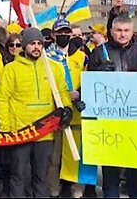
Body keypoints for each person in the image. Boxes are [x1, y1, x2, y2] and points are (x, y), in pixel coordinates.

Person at [0, 27, 73, 197]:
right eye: (32, 43)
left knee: (41, 176)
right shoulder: (11, 69)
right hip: (20, 132)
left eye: (39, 43)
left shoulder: (54, 68)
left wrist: (67, 109)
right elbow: (2, 100)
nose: (36, 47)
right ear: (24, 45)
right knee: (19, 176)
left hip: (45, 133)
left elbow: (62, 93)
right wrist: (5, 130)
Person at [88, 16, 137, 197]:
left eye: (126, 30)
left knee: (136, 171)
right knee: (111, 173)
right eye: (118, 30)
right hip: (110, 120)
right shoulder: (99, 52)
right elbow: (90, 83)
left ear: (132, 32)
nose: (122, 34)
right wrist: (98, 74)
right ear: (111, 31)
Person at [46, 19, 88, 198]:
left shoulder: (82, 56)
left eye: (66, 32)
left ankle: (77, 190)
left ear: (71, 34)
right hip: (56, 113)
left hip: (78, 113)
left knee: (79, 155)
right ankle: (53, 190)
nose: (63, 36)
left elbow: (88, 78)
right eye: (59, 33)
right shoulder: (46, 56)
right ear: (54, 35)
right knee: (54, 158)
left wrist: (80, 94)